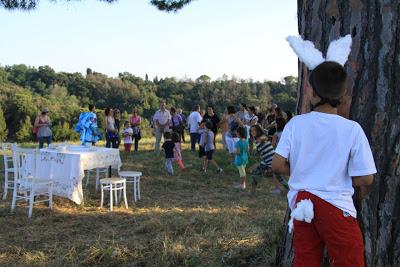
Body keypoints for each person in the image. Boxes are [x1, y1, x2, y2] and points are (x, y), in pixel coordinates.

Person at [272, 61, 376, 267]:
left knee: (306, 259)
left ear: (313, 94)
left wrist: (303, 172)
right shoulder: (352, 130)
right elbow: (366, 177)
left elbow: (277, 165)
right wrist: (340, 175)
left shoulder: (295, 124)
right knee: (349, 259)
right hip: (335, 205)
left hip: (302, 203)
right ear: (343, 94)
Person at [249, 125, 288, 195]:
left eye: (254, 130)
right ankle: (252, 193)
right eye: (251, 130)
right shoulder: (256, 140)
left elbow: (264, 138)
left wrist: (261, 140)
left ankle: (290, 190)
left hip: (273, 161)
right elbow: (261, 151)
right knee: (255, 175)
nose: (253, 132)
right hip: (265, 162)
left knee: (280, 179)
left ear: (258, 130)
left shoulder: (262, 137)